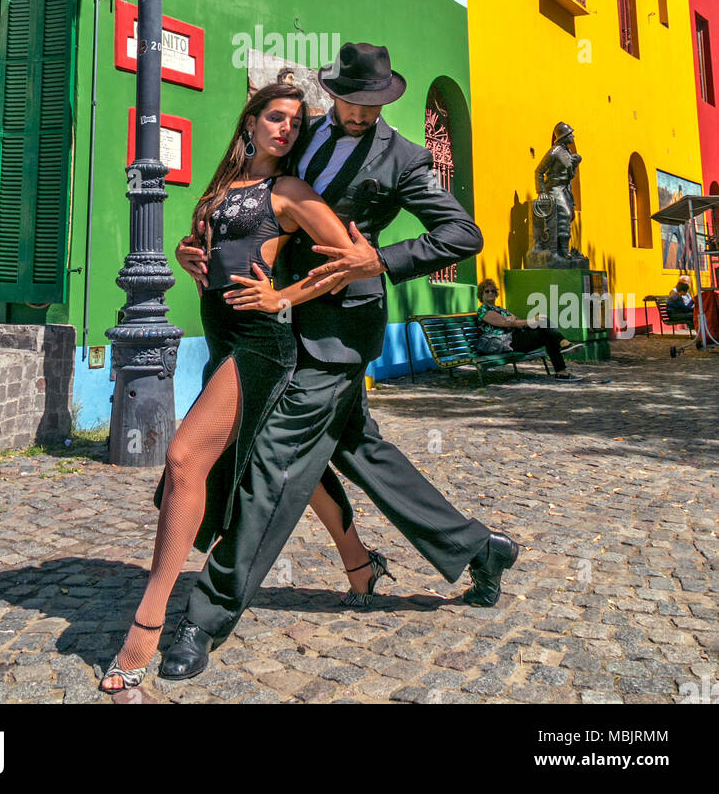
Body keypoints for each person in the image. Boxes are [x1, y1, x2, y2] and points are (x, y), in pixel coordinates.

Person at [161, 42, 520, 683]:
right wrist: (202, 249)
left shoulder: (405, 159)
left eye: (373, 106)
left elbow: (463, 235)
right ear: (336, 93)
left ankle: (206, 616)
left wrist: (378, 259)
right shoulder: (299, 137)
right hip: (273, 324)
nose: (360, 115)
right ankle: (478, 547)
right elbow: (257, 202)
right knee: (360, 449)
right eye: (352, 102)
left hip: (339, 332)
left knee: (272, 463)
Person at [99, 82, 385, 695]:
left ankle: (148, 621)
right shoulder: (223, 187)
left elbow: (351, 258)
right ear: (250, 121)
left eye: (295, 123)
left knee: (183, 457)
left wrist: (284, 295)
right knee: (270, 464)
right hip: (222, 341)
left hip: (260, 345)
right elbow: (213, 244)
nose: (285, 129)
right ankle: (360, 566)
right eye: (275, 118)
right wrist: (185, 253)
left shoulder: (290, 192)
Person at [475, 278, 582, 380]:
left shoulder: (500, 309)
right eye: (487, 291)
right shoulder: (484, 310)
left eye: (493, 291)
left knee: (545, 326)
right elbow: (506, 323)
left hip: (513, 338)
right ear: (481, 294)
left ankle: (562, 369)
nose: (490, 293)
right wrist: (532, 320)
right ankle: (563, 345)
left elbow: (515, 320)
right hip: (503, 343)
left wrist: (518, 319)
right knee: (544, 329)